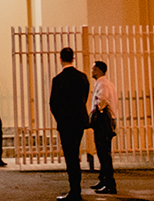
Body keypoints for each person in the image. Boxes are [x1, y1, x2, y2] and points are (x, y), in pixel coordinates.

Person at [50, 47, 90, 201]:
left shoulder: (58, 79)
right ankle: (76, 190)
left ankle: (74, 190)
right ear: (73, 58)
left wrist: (60, 118)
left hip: (66, 123)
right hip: (79, 121)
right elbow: (84, 98)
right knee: (76, 152)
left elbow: (53, 104)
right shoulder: (82, 77)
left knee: (70, 156)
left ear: (61, 59)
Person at [89, 60, 118, 194]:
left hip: (103, 122)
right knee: (104, 152)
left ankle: (109, 184)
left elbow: (102, 101)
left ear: (100, 70)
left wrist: (94, 113)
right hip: (108, 121)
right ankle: (103, 179)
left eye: (94, 69)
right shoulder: (108, 83)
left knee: (103, 153)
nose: (92, 71)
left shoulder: (103, 84)